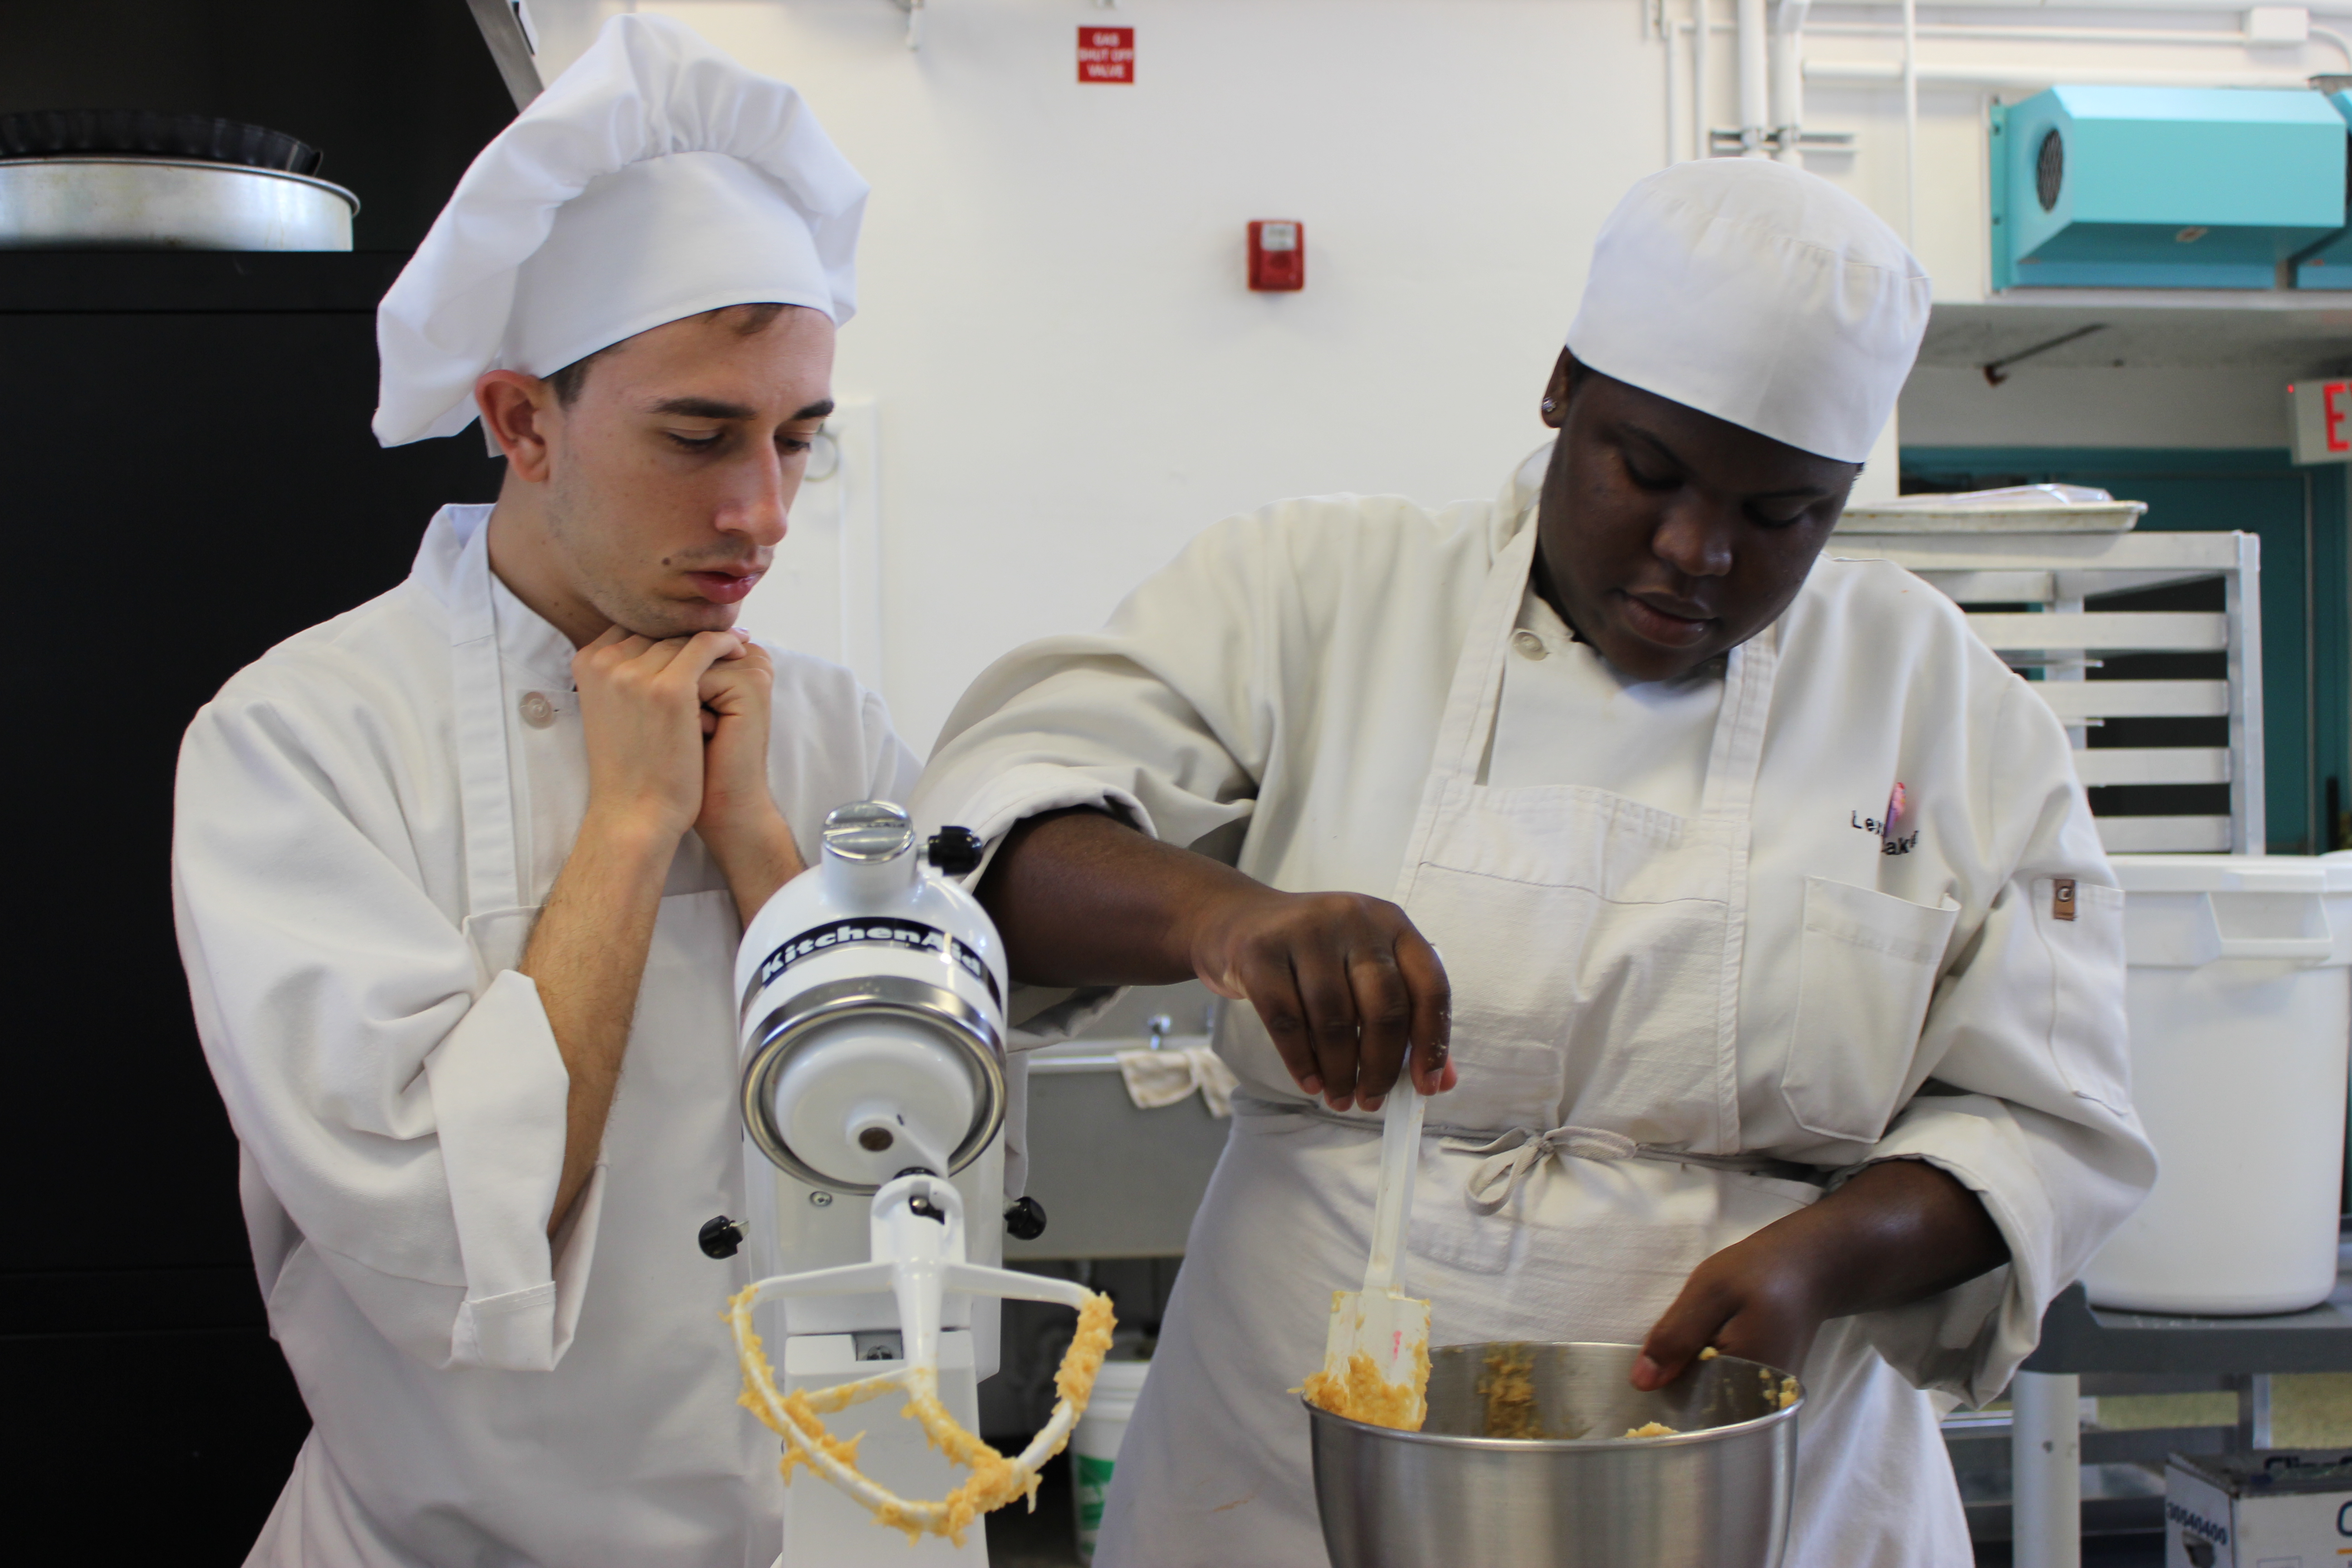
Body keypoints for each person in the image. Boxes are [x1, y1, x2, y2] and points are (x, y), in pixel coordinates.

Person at [912, 159, 2155, 1565]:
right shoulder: (1317, 593)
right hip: (1293, 1471)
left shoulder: (1946, 706)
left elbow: (2049, 1117)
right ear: (1563, 387)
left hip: (1767, 1484)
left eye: (1779, 515)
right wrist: (1226, 919)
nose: (1697, 552)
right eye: (1654, 471)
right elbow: (986, 842)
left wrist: (1829, 1255)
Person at [172, 17, 913, 1565]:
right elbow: (447, 1244)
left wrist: (758, 842)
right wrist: (632, 824)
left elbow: (921, 1152)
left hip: (817, 1531)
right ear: (521, 422)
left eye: (798, 442)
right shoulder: (303, 736)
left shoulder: (831, 734)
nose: (759, 512)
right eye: (699, 437)